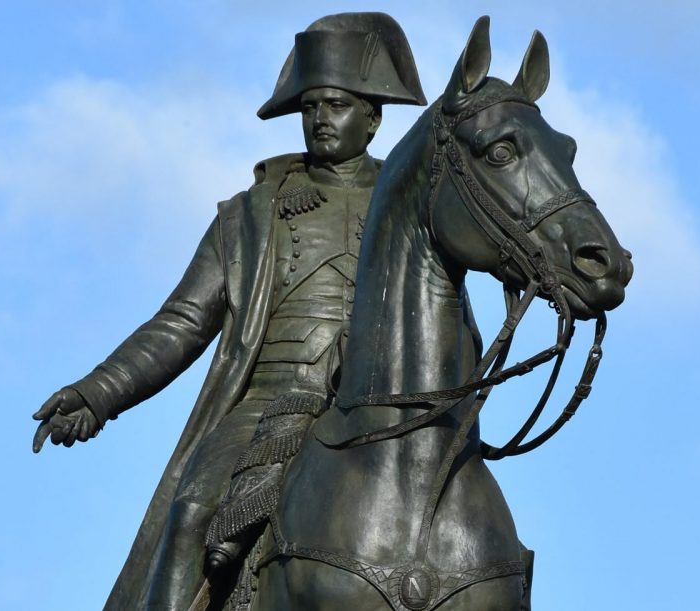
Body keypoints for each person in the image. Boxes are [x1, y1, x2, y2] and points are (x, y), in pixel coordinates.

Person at [31, 13, 425, 611]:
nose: (320, 119)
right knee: (193, 509)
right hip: (269, 400)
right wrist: (97, 392)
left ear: (373, 118)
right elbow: (182, 322)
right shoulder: (251, 215)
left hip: (378, 398)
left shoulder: (410, 205)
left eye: (338, 105)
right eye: (311, 106)